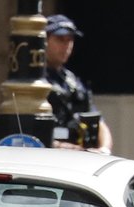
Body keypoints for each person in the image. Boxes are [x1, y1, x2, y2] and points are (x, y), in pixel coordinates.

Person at [45, 14, 113, 154]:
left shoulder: (72, 82)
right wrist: (58, 146)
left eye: (70, 40)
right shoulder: (35, 82)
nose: (66, 46)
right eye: (60, 39)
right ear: (44, 41)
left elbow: (98, 121)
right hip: (46, 155)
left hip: (77, 156)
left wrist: (104, 149)